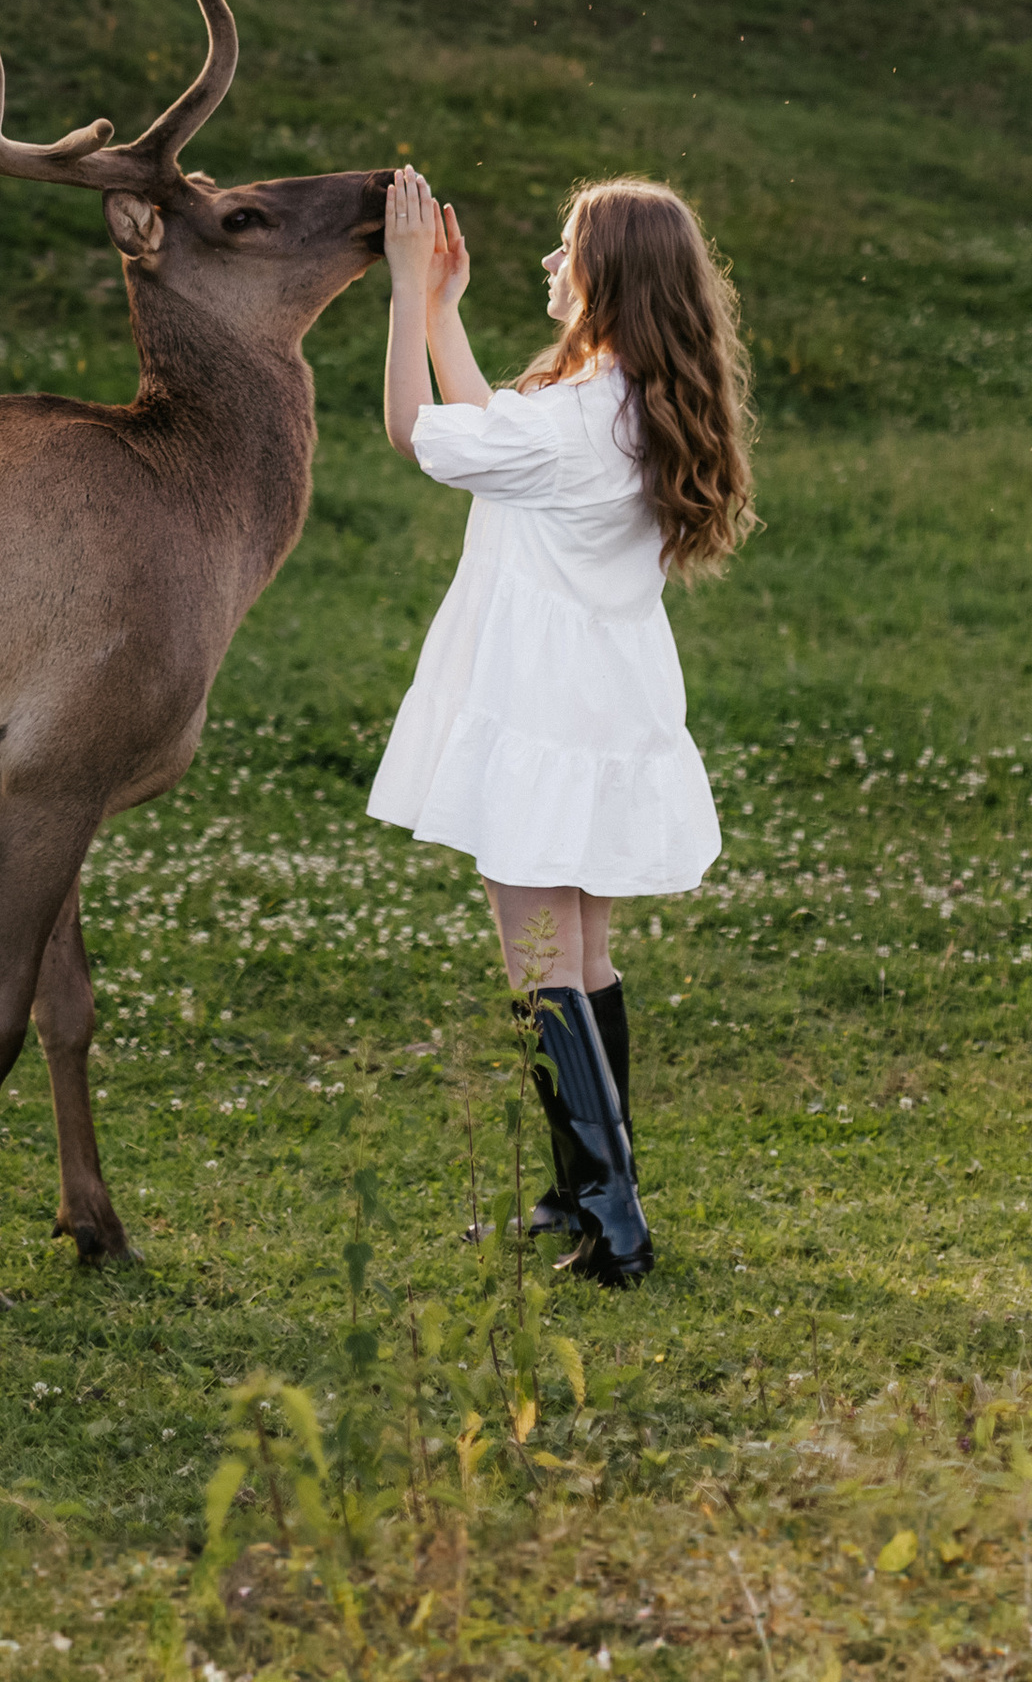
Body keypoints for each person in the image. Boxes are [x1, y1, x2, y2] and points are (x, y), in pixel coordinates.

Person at [368, 164, 756, 1283]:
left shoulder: (572, 422)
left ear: (603, 279)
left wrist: (405, 290)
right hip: (604, 709)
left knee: (538, 957)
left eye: (561, 250)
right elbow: (491, 434)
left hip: (539, 714)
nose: (546, 265)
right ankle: (581, 1192)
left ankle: (612, 1222)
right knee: (579, 956)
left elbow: (414, 431)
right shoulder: (630, 403)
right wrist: (445, 311)